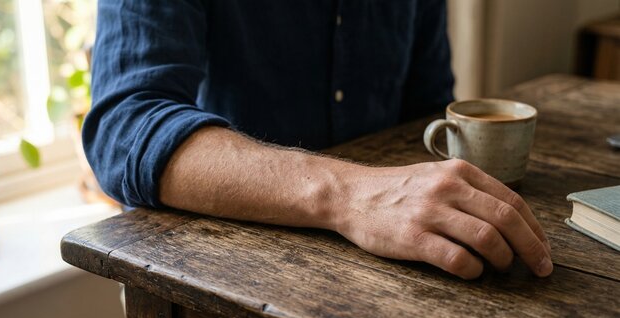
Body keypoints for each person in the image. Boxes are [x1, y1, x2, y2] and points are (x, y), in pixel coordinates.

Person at [84, 0, 552, 280]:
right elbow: (124, 127)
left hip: (394, 280)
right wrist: (347, 194)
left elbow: (426, 113)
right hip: (214, 278)